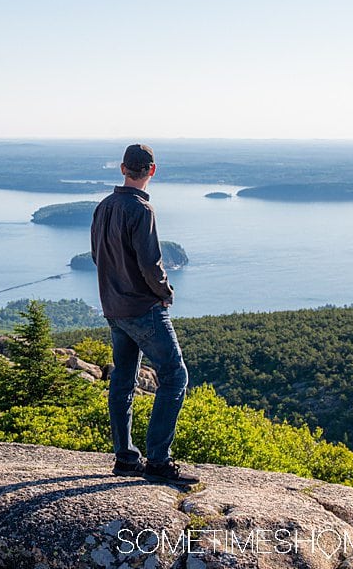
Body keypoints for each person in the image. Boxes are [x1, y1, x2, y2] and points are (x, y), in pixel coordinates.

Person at [90, 143, 198, 485]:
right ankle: (158, 461)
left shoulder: (104, 206)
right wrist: (165, 293)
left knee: (123, 379)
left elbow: (97, 256)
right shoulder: (141, 210)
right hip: (142, 308)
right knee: (175, 376)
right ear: (152, 170)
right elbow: (151, 264)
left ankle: (125, 458)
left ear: (123, 168)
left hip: (114, 308)